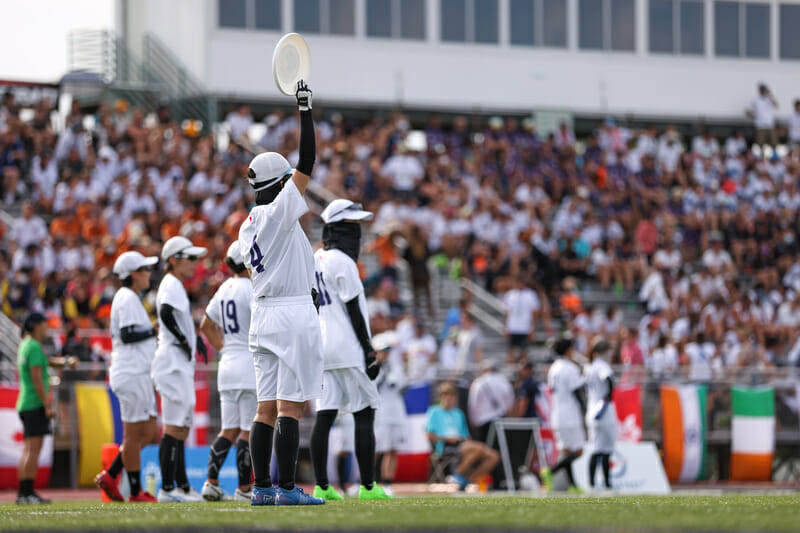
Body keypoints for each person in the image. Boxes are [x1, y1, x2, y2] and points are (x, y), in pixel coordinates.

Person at [237, 80, 325, 506]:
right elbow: (308, 159)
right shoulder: (277, 212)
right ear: (281, 182)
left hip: (263, 314)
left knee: (264, 409)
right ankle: (288, 489)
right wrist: (305, 109)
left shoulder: (248, 223)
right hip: (291, 312)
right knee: (291, 408)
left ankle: (261, 489)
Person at [309, 198, 391, 501]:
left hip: (323, 348)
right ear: (340, 229)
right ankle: (368, 487)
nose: (358, 233)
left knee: (326, 416)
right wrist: (369, 350)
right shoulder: (343, 262)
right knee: (364, 413)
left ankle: (322, 486)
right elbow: (354, 308)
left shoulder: (315, 259)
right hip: (348, 347)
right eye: (353, 226)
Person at [95, 251, 159, 503]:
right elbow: (128, 334)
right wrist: (153, 330)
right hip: (131, 372)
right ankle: (134, 491)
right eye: (144, 269)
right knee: (134, 435)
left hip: (139, 373)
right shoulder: (126, 297)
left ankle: (111, 475)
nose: (148, 273)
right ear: (132, 274)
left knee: (148, 432)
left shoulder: (130, 297)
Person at [152, 235, 208, 503]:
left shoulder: (174, 284)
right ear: (174, 260)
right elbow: (164, 313)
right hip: (172, 361)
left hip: (178, 361)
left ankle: (182, 486)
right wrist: (184, 339)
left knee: (182, 427)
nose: (195, 263)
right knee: (174, 427)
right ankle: (167, 487)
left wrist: (192, 341)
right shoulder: (171, 284)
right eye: (190, 258)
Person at [199, 242, 256, 502]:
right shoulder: (252, 288)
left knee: (228, 430)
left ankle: (211, 482)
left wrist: (223, 349)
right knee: (247, 431)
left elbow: (206, 325)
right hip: (247, 363)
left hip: (228, 363)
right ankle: (245, 489)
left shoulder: (223, 288)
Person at [16, 312, 77, 504]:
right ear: (35, 325)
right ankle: (27, 493)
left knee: (29, 449)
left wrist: (65, 362)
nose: (46, 328)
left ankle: (24, 493)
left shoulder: (27, 345)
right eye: (44, 324)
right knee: (33, 450)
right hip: (34, 404)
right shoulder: (33, 346)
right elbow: (37, 379)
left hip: (26, 403)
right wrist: (48, 405)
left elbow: (46, 362)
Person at [426, 382, 499, 492]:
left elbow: (465, 435)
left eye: (452, 395)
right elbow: (429, 435)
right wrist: (447, 439)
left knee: (493, 456)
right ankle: (457, 476)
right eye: (446, 395)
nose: (449, 398)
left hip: (462, 444)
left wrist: (468, 442)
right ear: (441, 396)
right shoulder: (434, 412)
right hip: (445, 445)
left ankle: (467, 480)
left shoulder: (458, 413)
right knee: (478, 448)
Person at [541, 335, 586, 493]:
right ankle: (550, 472)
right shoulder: (569, 368)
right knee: (578, 451)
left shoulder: (553, 368)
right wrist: (584, 411)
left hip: (557, 414)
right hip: (570, 415)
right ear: (568, 350)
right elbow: (578, 393)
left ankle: (573, 486)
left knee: (567, 451)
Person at [372, 331, 406, 497]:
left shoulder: (396, 367)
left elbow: (401, 385)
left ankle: (387, 482)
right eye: (383, 350)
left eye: (387, 351)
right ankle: (366, 481)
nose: (386, 354)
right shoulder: (372, 367)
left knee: (393, 449)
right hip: (380, 413)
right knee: (376, 449)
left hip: (396, 412)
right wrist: (381, 372)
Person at [583, 337, 617, 491]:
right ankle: (606, 483)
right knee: (606, 448)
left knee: (597, 447)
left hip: (592, 409)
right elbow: (608, 379)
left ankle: (591, 483)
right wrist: (609, 396)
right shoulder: (601, 365)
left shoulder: (588, 366)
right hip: (603, 408)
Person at [467, 361, 514, 443]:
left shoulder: (479, 382)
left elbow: (473, 404)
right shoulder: (504, 381)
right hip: (501, 421)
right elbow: (510, 404)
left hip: (483, 423)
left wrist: (473, 422)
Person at [503, 278, 540, 364]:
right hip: (512, 327)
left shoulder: (530, 294)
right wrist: (505, 327)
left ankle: (523, 368)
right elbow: (507, 313)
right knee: (511, 349)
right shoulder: (510, 294)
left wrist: (533, 329)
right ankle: (510, 368)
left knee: (524, 350)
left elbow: (534, 313)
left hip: (525, 327)